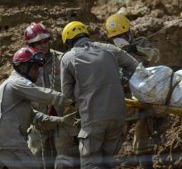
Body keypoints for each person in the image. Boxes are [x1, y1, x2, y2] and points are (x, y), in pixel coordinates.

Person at [60, 21, 139, 169]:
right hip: (118, 117)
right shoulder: (108, 48)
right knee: (107, 161)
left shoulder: (68, 58)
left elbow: (67, 94)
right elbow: (134, 65)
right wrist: (121, 80)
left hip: (92, 118)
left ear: (69, 41)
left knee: (91, 164)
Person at [0, 46, 74, 169]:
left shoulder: (14, 89)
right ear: (23, 67)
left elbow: (34, 117)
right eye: (35, 68)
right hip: (10, 143)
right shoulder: (17, 83)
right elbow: (44, 95)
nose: (38, 72)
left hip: (6, 143)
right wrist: (72, 100)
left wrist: (60, 121)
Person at [105, 13, 160, 169]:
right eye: (115, 37)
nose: (119, 39)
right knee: (114, 137)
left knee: (142, 135)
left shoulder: (140, 42)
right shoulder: (110, 51)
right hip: (123, 99)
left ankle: (145, 165)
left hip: (143, 95)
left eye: (121, 35)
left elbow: (155, 56)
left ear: (128, 32)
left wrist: (136, 49)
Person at [24, 22, 80, 169]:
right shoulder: (25, 66)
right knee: (35, 160)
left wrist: (72, 108)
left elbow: (77, 86)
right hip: (37, 121)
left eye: (45, 41)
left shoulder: (63, 60)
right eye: (38, 43)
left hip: (64, 119)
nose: (43, 45)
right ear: (30, 45)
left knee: (64, 160)